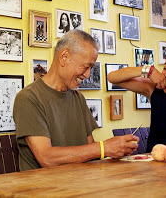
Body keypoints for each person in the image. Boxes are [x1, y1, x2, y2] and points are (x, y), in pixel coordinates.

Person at [13, 30, 139, 171]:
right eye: (86, 67)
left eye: (91, 68)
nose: (87, 75)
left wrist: (116, 150)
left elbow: (90, 149)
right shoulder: (28, 98)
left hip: (81, 185)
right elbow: (47, 158)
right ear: (64, 57)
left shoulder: (78, 97)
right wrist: (104, 148)